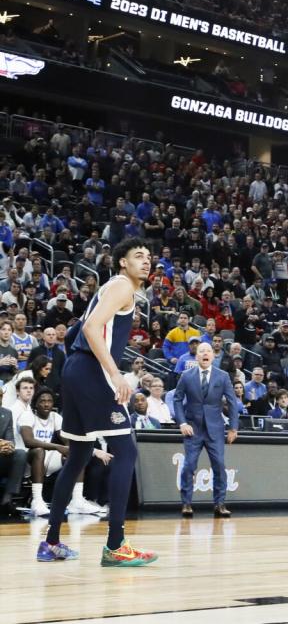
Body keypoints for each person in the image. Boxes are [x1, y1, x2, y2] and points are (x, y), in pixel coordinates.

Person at [39, 237, 158, 566]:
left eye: (149, 257)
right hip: (92, 370)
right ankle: (116, 544)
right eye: (138, 256)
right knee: (127, 450)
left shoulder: (109, 289)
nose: (146, 261)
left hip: (77, 370)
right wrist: (115, 374)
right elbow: (91, 328)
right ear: (123, 262)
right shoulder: (122, 287)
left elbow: (76, 332)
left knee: (77, 456)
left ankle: (50, 542)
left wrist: (75, 370)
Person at [173, 342, 238, 519]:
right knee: (189, 466)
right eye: (201, 351)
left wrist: (233, 427)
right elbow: (177, 399)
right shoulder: (186, 375)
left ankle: (220, 504)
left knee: (219, 466)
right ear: (197, 356)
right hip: (193, 429)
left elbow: (232, 402)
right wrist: (182, 423)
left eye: (208, 351)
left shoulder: (223, 376)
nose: (205, 354)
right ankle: (186, 504)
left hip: (215, 429)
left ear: (213, 355)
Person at [0, 401, 27, 516]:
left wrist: (9, 446)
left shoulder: (7, 413)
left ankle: (7, 499)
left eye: (1, 396)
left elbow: (10, 439)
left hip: (2, 456)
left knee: (20, 454)